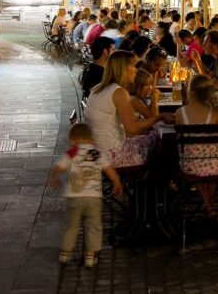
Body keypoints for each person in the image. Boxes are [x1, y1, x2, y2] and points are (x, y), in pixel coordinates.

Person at [49, 122, 122, 268]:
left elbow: (58, 167)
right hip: (93, 197)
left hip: (74, 197)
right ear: (91, 139)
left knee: (71, 226)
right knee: (93, 226)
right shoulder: (96, 153)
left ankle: (65, 253)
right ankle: (90, 256)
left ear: (72, 140)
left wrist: (55, 177)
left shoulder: (72, 152)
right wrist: (116, 182)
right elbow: (109, 169)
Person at [85, 51, 164, 167]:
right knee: (160, 139)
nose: (136, 70)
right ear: (122, 69)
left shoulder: (97, 89)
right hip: (112, 155)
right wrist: (159, 117)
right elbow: (132, 129)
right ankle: (152, 183)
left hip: (97, 151)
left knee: (149, 137)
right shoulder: (119, 93)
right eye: (132, 66)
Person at [176, 74, 218, 214]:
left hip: (190, 164)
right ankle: (210, 204)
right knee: (212, 171)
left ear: (191, 91)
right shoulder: (215, 112)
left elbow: (179, 143)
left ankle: (207, 203)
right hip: (216, 164)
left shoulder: (180, 112)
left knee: (200, 171)